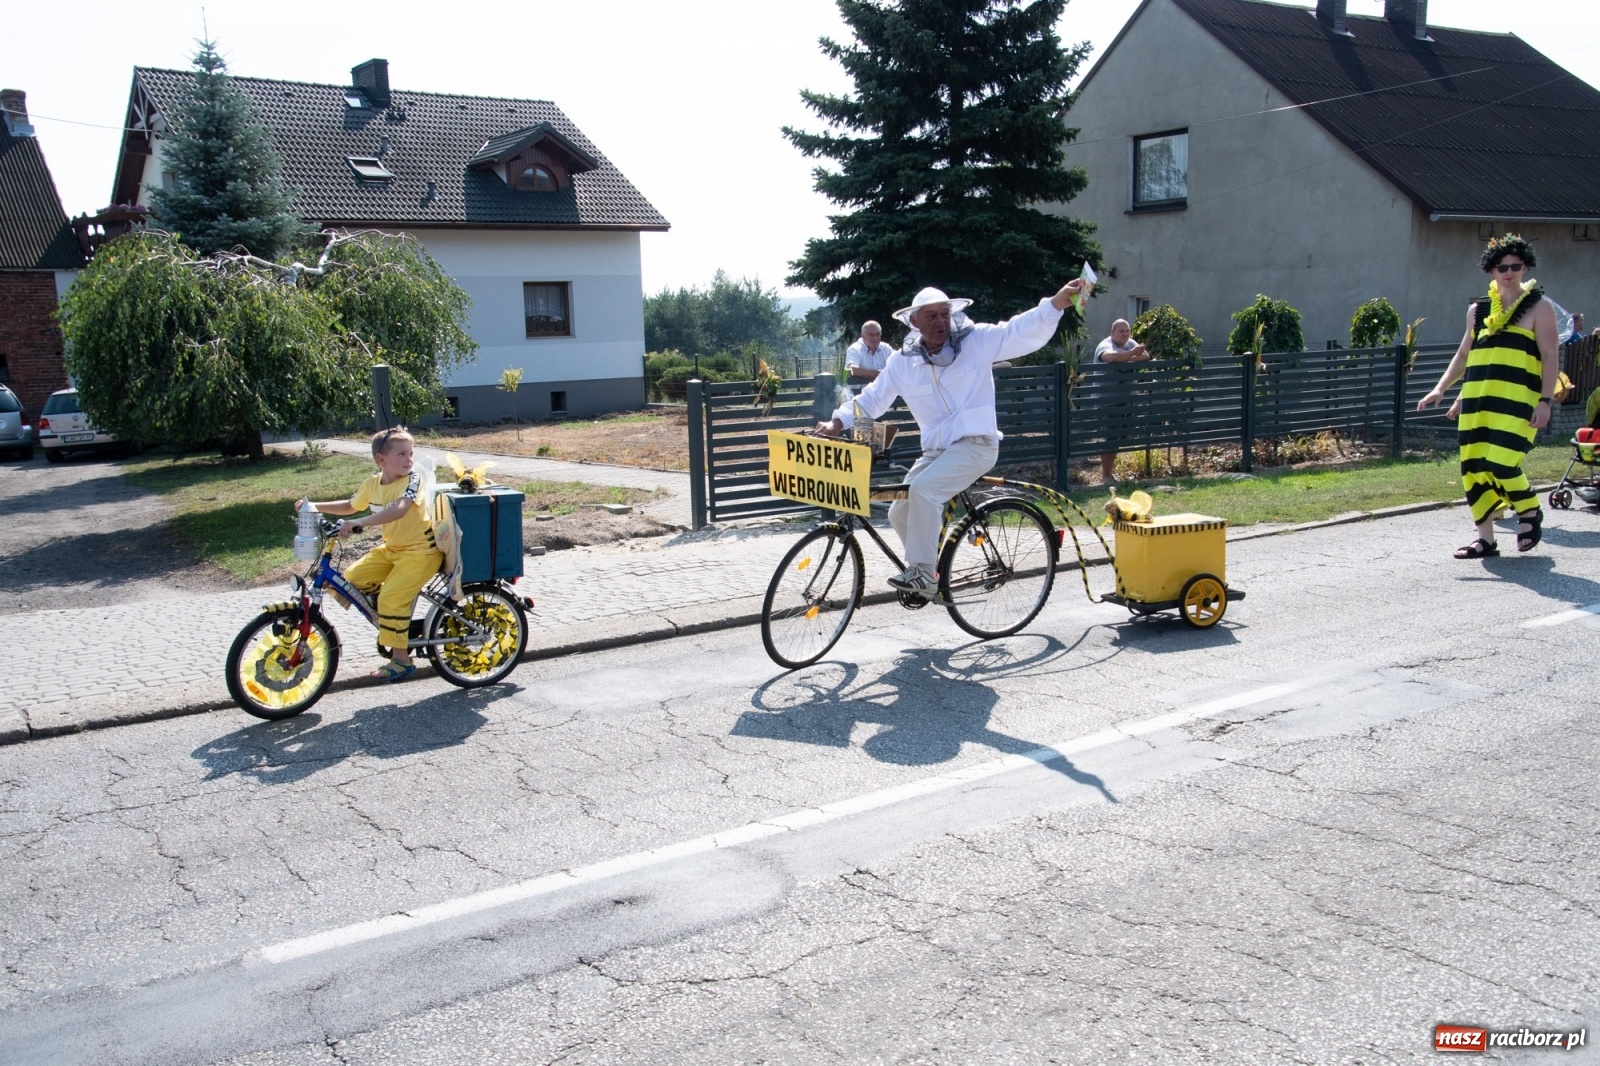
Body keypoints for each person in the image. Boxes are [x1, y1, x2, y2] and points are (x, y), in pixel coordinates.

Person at [816, 280, 1090, 597]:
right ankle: (929, 569)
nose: (940, 322)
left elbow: (1015, 332)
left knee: (922, 490)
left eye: (944, 314)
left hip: (977, 444)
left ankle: (923, 575)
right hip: (937, 452)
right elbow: (872, 399)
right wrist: (838, 420)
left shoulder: (976, 341)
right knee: (899, 508)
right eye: (930, 316)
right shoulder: (902, 362)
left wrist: (1053, 305)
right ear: (914, 322)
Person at [1418, 234, 1560, 558]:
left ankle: (1529, 510)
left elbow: (1551, 356)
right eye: (1501, 267)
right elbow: (1464, 356)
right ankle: (1486, 539)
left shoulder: (1540, 307)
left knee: (1501, 462)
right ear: (1491, 270)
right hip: (1478, 401)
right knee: (1473, 467)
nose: (1508, 272)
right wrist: (1442, 389)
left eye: (1515, 266)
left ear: (1524, 267)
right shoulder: (1477, 311)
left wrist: (1545, 400)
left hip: (1518, 402)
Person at [297, 427, 444, 680]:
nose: (409, 459)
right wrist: (313, 506)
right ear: (381, 460)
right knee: (349, 581)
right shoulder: (372, 484)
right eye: (401, 454)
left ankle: (402, 659)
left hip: (421, 552)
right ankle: (391, 620)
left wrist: (360, 523)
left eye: (411, 453)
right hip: (392, 550)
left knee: (390, 599)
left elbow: (399, 509)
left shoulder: (412, 480)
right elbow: (351, 505)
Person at [1091, 319, 1152, 484]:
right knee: (1110, 438)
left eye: (1127, 331)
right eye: (1121, 331)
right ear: (1112, 332)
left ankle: (1109, 474)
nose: (1125, 334)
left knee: (1118, 438)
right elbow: (1110, 357)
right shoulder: (1105, 344)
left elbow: (1145, 355)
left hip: (1125, 400)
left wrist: (1125, 357)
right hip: (1107, 401)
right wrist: (1132, 354)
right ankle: (1105, 476)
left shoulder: (1130, 343)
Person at [845, 320, 894, 388]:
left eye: (877, 334)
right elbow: (851, 369)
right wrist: (879, 374)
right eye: (871, 335)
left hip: (883, 394)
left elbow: (897, 367)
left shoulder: (886, 349)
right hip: (860, 394)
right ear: (862, 336)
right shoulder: (855, 349)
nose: (875, 338)